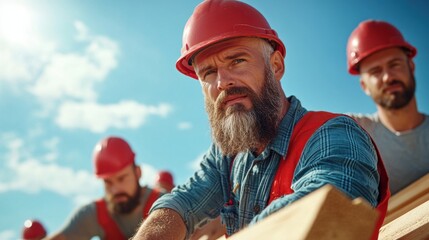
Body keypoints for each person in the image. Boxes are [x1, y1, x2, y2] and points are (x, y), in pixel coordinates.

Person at [132, 1, 389, 240]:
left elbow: (323, 209)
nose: (223, 82)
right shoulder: (227, 157)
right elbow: (182, 203)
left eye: (237, 60)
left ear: (276, 65)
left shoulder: (335, 135)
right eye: (208, 73)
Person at [346, 20, 429, 195]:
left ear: (411, 67)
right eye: (375, 71)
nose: (387, 77)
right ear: (364, 86)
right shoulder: (357, 133)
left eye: (394, 64)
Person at [47, 136, 161, 240]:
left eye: (122, 179)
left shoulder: (164, 205)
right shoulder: (95, 214)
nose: (115, 190)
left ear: (138, 172)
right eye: (108, 182)